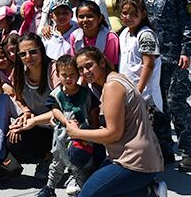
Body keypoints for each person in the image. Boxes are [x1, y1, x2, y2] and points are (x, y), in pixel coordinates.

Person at [134, 0, 191, 172]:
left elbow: (190, 20)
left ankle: (189, 153)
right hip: (151, 59)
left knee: (176, 103)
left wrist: (186, 50)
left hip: (174, 56)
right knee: (157, 105)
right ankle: (165, 151)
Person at [69, 47, 166, 197]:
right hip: (139, 158)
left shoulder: (112, 86)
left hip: (133, 162)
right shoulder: (117, 78)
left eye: (89, 65)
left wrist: (77, 133)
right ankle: (148, 192)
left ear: (102, 62)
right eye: (80, 69)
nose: (85, 72)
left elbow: (113, 133)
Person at [39, 55, 103, 197]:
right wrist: (66, 122)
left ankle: (84, 188)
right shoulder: (56, 94)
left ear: (78, 74)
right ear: (57, 75)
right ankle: (50, 187)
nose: (68, 79)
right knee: (57, 163)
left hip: (82, 139)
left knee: (80, 165)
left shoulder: (86, 93)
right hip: (62, 137)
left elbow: (93, 112)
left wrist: (94, 132)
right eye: (64, 75)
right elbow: (54, 109)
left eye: (72, 75)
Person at [9, 33, 58, 178]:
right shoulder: (19, 72)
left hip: (57, 126)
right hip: (36, 126)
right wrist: (25, 112)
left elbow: (63, 107)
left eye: (33, 52)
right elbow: (18, 98)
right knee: (13, 141)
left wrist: (33, 121)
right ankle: (45, 157)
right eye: (23, 54)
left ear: (41, 50)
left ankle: (56, 159)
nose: (28, 57)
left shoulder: (53, 70)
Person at [118, 0, 163, 113]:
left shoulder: (146, 35)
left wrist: (139, 90)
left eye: (133, 14)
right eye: (124, 13)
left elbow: (149, 65)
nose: (128, 17)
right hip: (128, 90)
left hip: (145, 95)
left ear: (143, 14)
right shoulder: (124, 32)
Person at [69, 0, 120, 69]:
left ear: (99, 18)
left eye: (90, 16)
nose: (85, 20)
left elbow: (111, 66)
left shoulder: (110, 38)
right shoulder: (74, 36)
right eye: (81, 17)